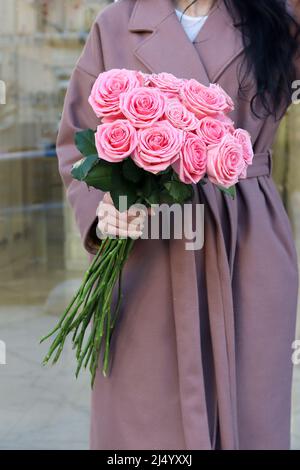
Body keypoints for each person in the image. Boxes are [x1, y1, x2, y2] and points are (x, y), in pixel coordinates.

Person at [56, 0, 300, 450]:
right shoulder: (116, 23)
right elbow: (77, 142)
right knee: (144, 421)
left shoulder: (277, 20)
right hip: (146, 244)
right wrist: (102, 206)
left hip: (245, 240)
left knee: (252, 416)